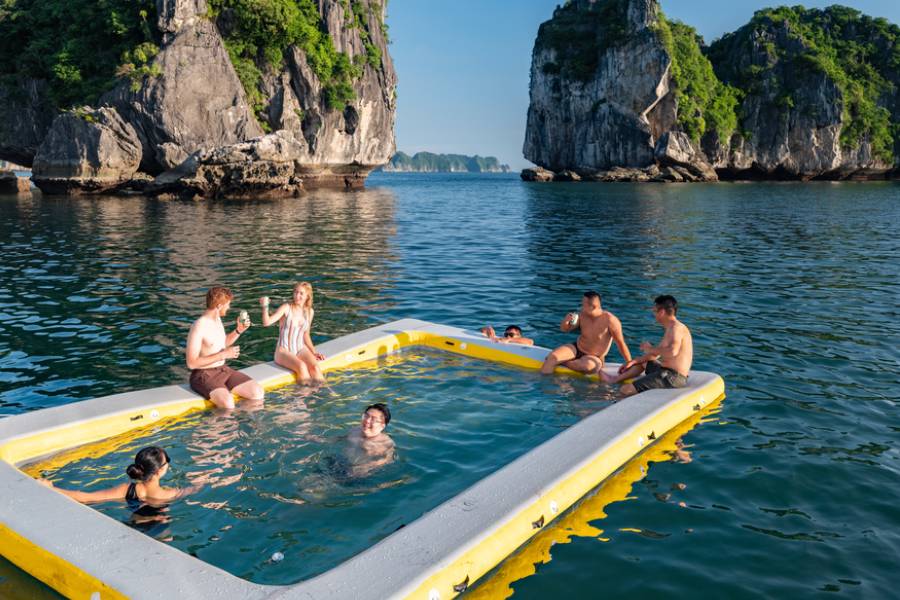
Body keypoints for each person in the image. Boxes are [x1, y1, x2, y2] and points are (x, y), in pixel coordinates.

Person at [186, 286, 265, 409]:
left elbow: (222, 344)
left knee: (257, 392)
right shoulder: (199, 326)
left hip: (222, 370)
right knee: (228, 404)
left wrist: (238, 330)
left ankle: (245, 417)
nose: (229, 307)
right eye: (228, 304)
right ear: (219, 306)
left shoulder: (217, 319)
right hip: (203, 374)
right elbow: (191, 363)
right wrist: (223, 355)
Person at [600, 295, 693, 397]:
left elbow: (672, 352)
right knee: (643, 362)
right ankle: (614, 379)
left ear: (662, 312)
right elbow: (656, 354)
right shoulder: (671, 328)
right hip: (666, 372)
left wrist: (649, 348)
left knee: (625, 389)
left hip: (673, 378)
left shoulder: (676, 328)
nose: (654, 314)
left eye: (655, 311)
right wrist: (634, 362)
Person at [38, 446, 195, 504]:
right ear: (159, 470)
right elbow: (195, 489)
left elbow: (85, 497)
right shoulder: (169, 494)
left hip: (135, 529)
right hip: (162, 533)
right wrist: (204, 480)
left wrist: (52, 488)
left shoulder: (126, 490)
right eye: (167, 460)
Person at [540, 291, 631, 375]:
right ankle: (545, 384)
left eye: (583, 304)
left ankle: (563, 362)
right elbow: (565, 329)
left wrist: (629, 363)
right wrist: (566, 321)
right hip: (577, 348)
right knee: (552, 358)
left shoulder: (610, 320)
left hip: (595, 357)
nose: (581, 306)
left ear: (593, 307)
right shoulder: (582, 314)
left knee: (587, 367)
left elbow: (620, 343)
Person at [260, 282, 325, 384]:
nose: (297, 296)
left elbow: (306, 335)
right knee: (301, 366)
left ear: (307, 296)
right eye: (295, 292)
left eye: (301, 293)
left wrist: (313, 352)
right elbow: (266, 322)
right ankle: (303, 393)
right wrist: (265, 307)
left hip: (300, 349)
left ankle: (320, 391)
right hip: (283, 351)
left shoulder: (309, 312)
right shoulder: (286, 308)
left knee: (315, 368)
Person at [346, 403, 395, 477]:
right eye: (366, 416)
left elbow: (387, 460)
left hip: (358, 474)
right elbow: (345, 438)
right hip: (344, 462)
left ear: (382, 426)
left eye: (373, 419)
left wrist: (363, 468)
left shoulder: (384, 443)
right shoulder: (355, 430)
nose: (367, 421)